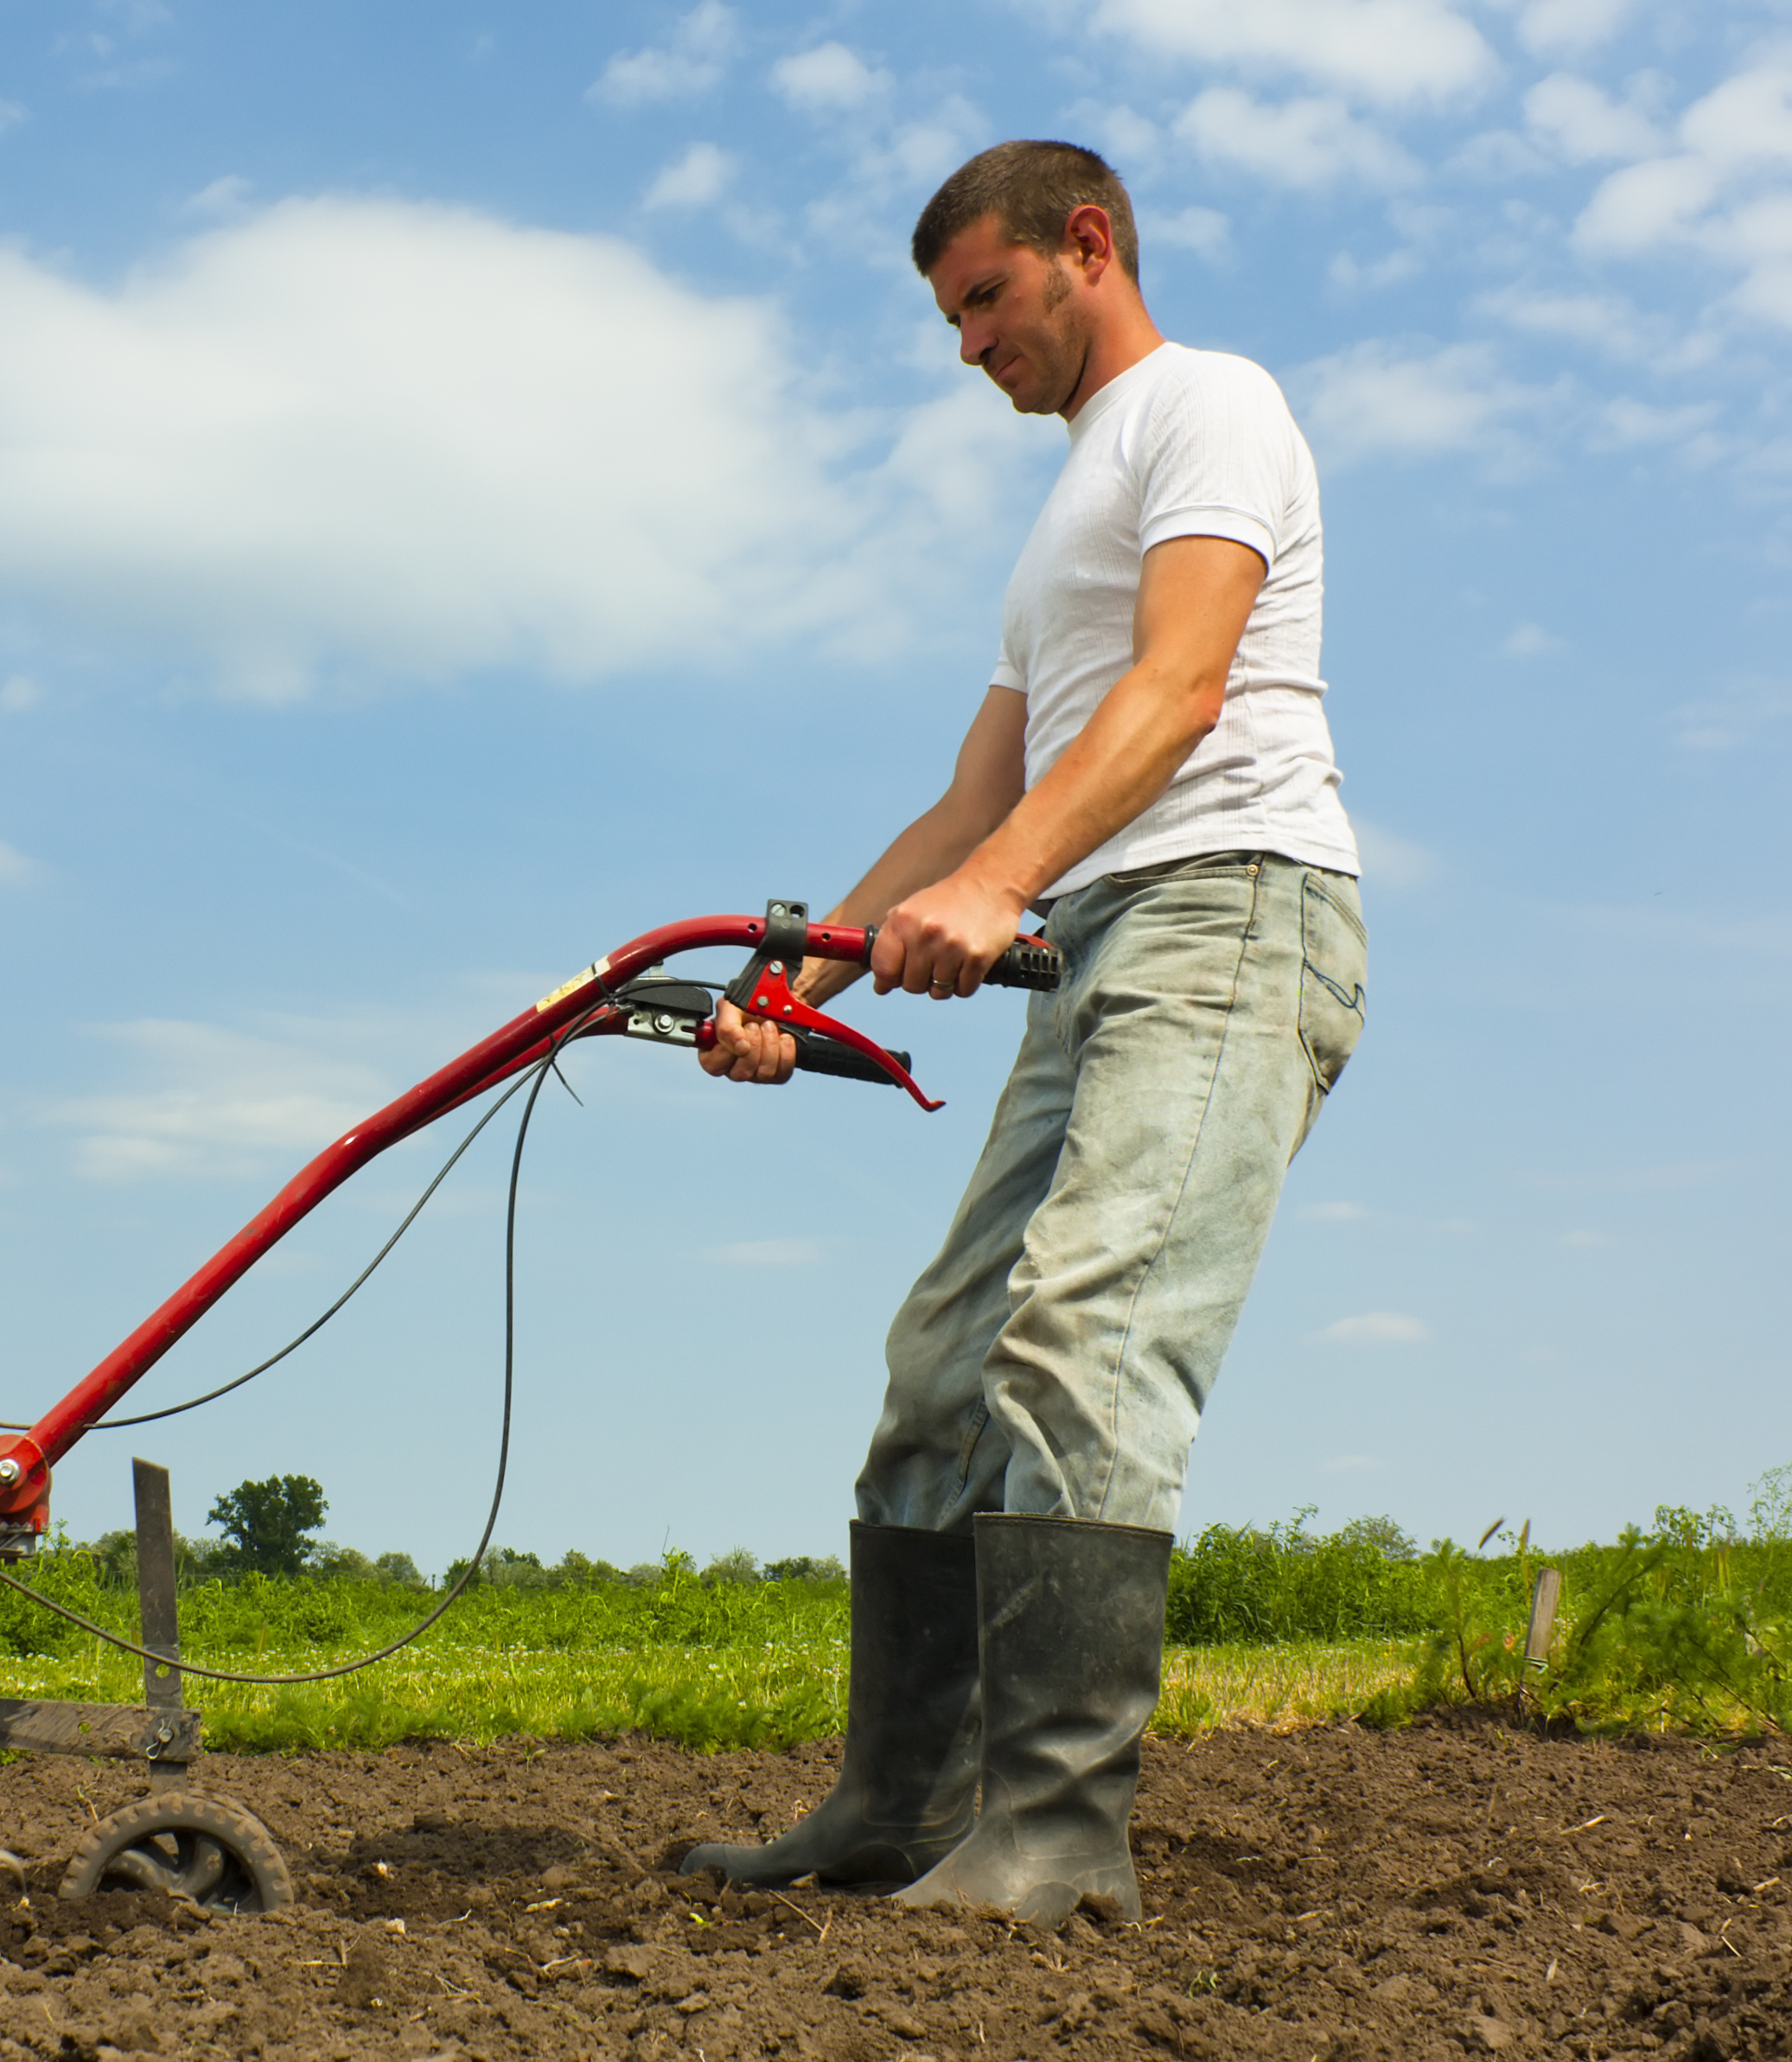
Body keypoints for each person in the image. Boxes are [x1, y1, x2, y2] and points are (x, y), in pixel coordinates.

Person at [682, 142, 1368, 1925]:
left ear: (1087, 245)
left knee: (1083, 1331)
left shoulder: (1206, 407)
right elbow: (966, 799)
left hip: (1230, 905)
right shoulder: (1055, 516)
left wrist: (997, 885)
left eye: (984, 297)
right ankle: (896, 1807)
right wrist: (789, 988)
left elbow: (1180, 686)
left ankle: (1056, 1837)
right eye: (948, 317)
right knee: (940, 1364)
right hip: (1091, 946)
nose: (966, 344)